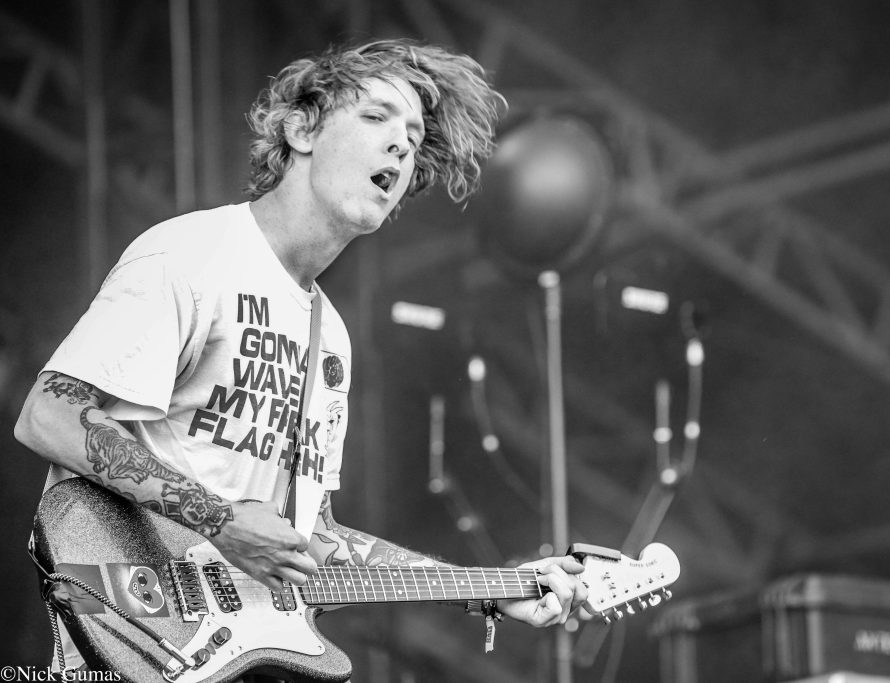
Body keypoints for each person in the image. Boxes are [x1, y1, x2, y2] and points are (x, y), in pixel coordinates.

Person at [15, 39, 587, 673]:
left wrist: (490, 590)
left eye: (413, 137)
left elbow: (317, 540)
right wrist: (220, 521)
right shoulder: (192, 255)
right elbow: (49, 415)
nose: (401, 145)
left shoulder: (330, 336)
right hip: (140, 636)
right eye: (376, 117)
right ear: (301, 129)